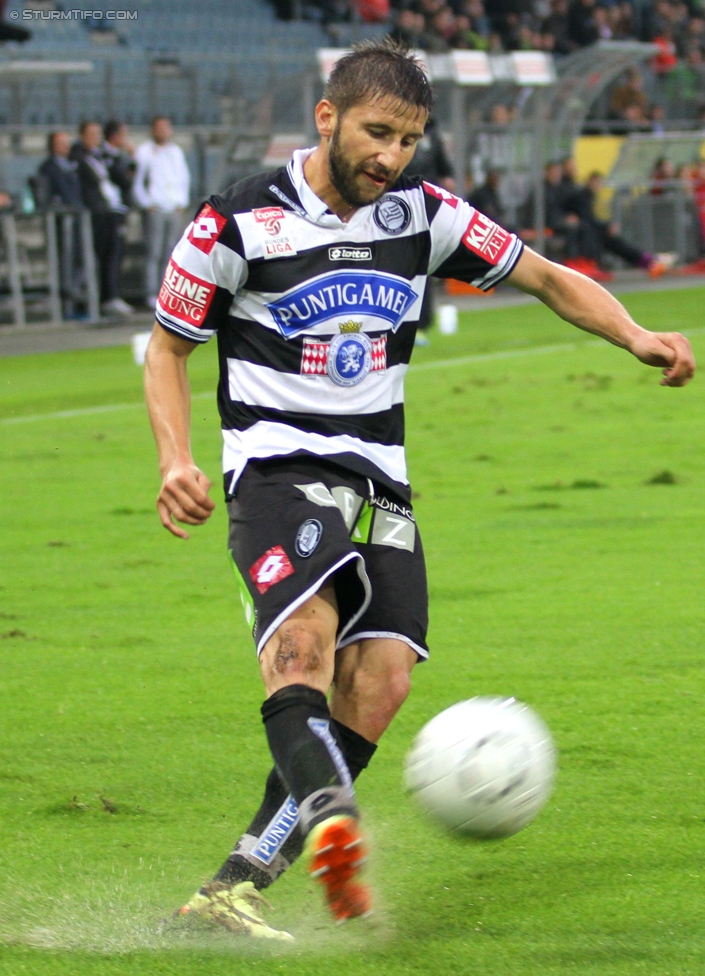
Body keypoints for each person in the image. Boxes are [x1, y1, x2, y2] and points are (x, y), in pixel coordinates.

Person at [144, 39, 694, 940]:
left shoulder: (422, 215)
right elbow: (168, 346)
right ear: (326, 117)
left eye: (407, 140)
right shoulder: (234, 223)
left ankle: (231, 887)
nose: (390, 156)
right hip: (278, 472)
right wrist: (175, 458)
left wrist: (632, 334)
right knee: (301, 647)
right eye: (375, 133)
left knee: (383, 684)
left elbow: (546, 277)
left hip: (381, 486)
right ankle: (333, 817)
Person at [69, 121, 133, 318]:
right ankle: (91, 300)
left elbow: (123, 179)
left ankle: (110, 297)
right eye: (91, 134)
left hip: (111, 210)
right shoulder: (78, 158)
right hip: (96, 215)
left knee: (112, 255)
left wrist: (125, 157)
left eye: (98, 134)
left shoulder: (102, 157)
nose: (96, 139)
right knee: (96, 257)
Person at [133, 116, 190, 310]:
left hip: (173, 207)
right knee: (154, 252)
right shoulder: (144, 152)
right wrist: (146, 203)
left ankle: (169, 292)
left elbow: (184, 178)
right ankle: (151, 292)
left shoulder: (175, 152)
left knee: (172, 253)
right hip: (156, 208)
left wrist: (181, 202)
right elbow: (138, 181)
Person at [36, 132, 83, 208]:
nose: (66, 146)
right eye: (62, 143)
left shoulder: (73, 163)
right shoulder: (48, 167)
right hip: (62, 209)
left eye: (67, 143)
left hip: (78, 206)